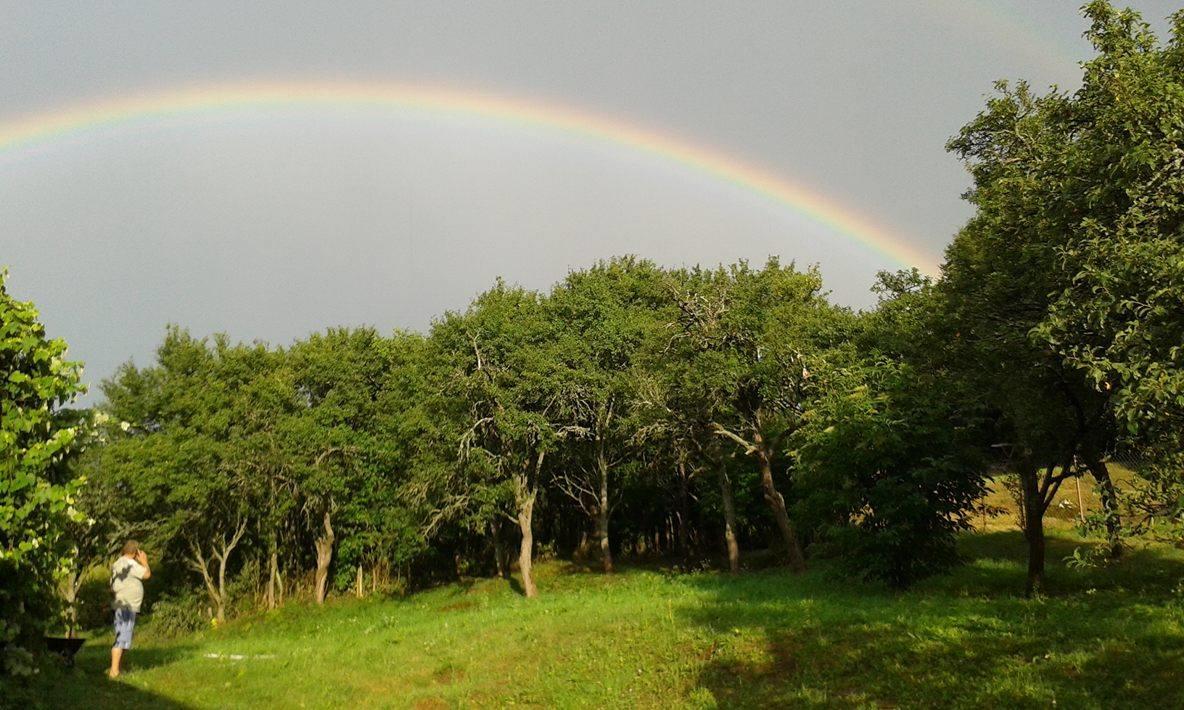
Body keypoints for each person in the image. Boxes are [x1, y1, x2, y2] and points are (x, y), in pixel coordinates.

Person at [108, 540, 151, 679]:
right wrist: (144, 561)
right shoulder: (130, 564)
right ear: (135, 552)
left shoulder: (117, 563)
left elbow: (112, 584)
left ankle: (118, 669)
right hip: (127, 605)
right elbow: (147, 574)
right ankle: (114, 672)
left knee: (124, 637)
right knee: (122, 638)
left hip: (122, 604)